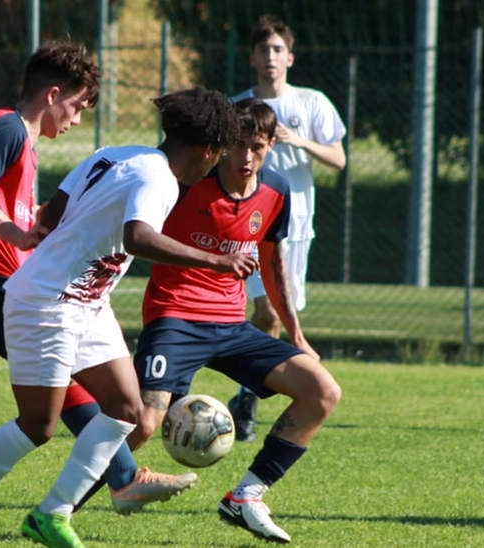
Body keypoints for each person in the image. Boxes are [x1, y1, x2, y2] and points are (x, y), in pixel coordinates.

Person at [0, 41, 195, 548]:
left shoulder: (20, 142)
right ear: (53, 94)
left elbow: (24, 211)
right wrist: (13, 232)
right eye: (76, 105)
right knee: (59, 377)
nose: (75, 119)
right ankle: (122, 477)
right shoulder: (8, 127)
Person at [0, 87, 252, 548]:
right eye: (217, 157)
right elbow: (139, 237)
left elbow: (53, 212)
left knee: (126, 409)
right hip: (47, 303)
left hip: (85, 303)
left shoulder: (115, 154)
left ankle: (52, 514)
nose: (212, 167)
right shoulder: (160, 179)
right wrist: (215, 261)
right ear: (208, 150)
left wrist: (76, 245)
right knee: (38, 425)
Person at [126, 98, 340, 544]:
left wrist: (297, 334)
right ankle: (68, 499)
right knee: (144, 421)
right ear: (221, 146)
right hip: (175, 316)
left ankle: (246, 496)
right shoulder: (184, 184)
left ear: (269, 146)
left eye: (257, 147)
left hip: (233, 327)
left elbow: (273, 267)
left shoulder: (276, 192)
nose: (246, 158)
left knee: (322, 391)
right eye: (237, 146)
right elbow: (138, 233)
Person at [225, 14, 347, 442]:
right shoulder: (241, 106)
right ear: (252, 57)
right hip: (249, 229)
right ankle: (251, 393)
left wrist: (300, 141)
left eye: (277, 49)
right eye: (263, 50)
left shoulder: (310, 103)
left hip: (296, 229)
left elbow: (339, 158)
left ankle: (247, 395)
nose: (270, 57)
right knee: (268, 312)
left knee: (277, 316)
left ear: (289, 57)